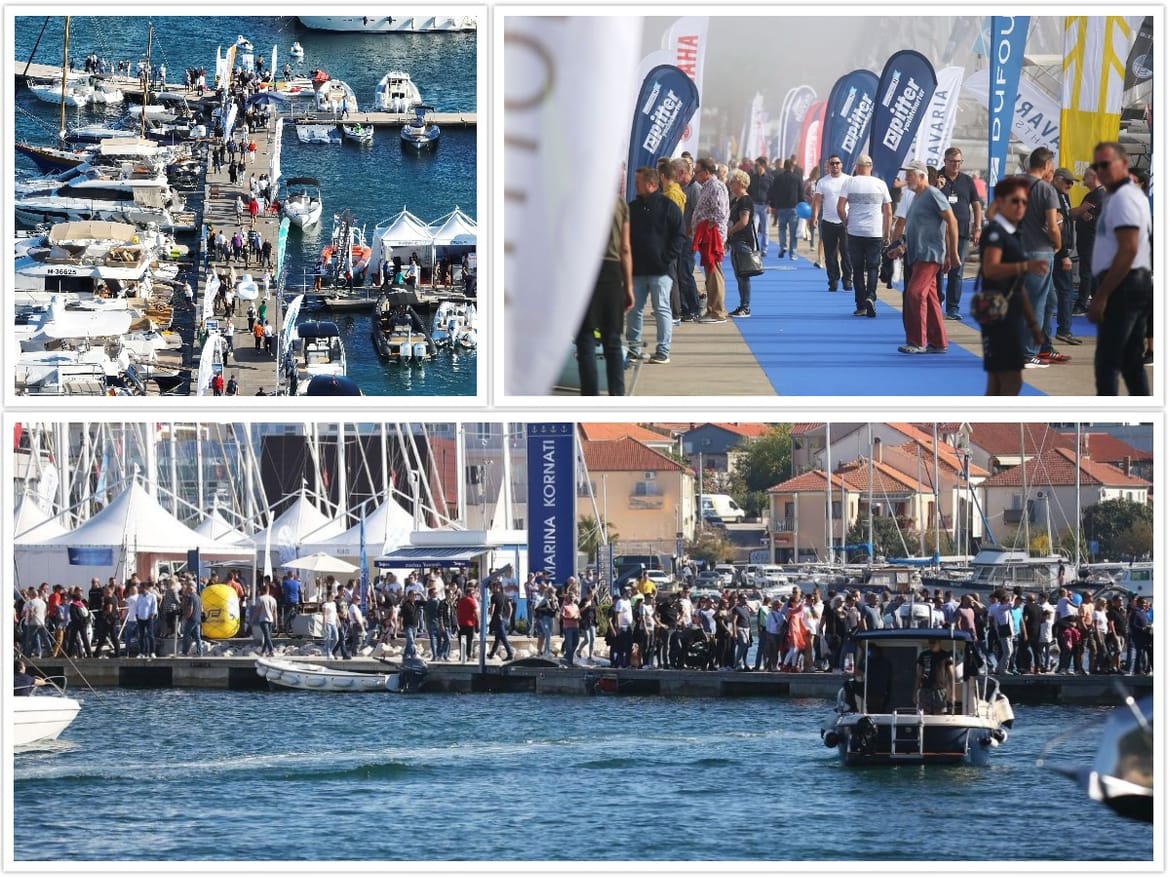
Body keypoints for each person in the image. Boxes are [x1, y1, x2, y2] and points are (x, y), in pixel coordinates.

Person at [1086, 141, 1152, 396]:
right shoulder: (1117, 195)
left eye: (1106, 164)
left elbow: (1128, 250)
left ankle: (1109, 415)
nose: (1101, 170)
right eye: (1097, 166)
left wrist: (1101, 296)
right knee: (1130, 361)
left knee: (1107, 362)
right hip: (1128, 282)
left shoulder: (1124, 198)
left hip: (1124, 284)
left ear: (1123, 165)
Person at [978, 177, 1048, 395]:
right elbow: (991, 269)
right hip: (998, 311)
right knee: (1010, 380)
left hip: (1010, 310)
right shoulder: (996, 233)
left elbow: (1018, 286)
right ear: (1000, 201)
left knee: (999, 381)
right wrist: (1026, 265)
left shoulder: (1014, 234)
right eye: (1015, 201)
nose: (1020, 207)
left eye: (1024, 202)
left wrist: (1033, 324)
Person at [890, 160, 958, 353]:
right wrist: (901, 247)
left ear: (922, 176)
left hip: (930, 254)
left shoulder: (933, 194)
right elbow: (914, 228)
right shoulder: (916, 197)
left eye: (910, 175)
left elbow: (951, 220)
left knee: (914, 293)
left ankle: (917, 341)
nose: (906, 179)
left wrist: (952, 253)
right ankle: (938, 342)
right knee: (930, 296)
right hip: (917, 253)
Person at [575, 194, 634, 396]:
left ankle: (590, 395)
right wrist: (628, 287)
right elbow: (625, 248)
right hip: (612, 270)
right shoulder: (619, 204)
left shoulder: (578, 200)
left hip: (584, 269)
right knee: (613, 341)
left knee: (585, 339)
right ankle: (617, 395)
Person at [625, 166, 684, 365]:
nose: (635, 186)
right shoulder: (632, 208)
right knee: (634, 309)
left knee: (662, 309)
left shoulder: (668, 207)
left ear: (651, 184)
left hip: (660, 271)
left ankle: (663, 351)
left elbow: (680, 234)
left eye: (638, 182)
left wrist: (667, 258)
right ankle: (634, 348)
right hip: (637, 270)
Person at [1017, 147, 1067, 367]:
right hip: (1040, 250)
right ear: (1046, 165)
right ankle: (1028, 353)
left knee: (1040, 301)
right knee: (1037, 303)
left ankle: (1036, 347)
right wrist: (1058, 245)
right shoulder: (1046, 190)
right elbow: (1052, 226)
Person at [837, 154, 891, 317]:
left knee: (858, 268)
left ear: (857, 167)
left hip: (855, 231)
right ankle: (871, 296)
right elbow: (888, 212)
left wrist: (847, 223)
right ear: (871, 167)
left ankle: (860, 305)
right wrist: (886, 234)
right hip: (874, 232)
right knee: (873, 266)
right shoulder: (880, 184)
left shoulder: (850, 182)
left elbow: (840, 207)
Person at [936, 147, 984, 320]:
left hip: (962, 231)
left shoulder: (967, 180)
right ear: (945, 161)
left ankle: (953, 307)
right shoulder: (937, 178)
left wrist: (977, 227)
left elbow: (976, 204)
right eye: (952, 161)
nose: (956, 165)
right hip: (940, 231)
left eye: (959, 161)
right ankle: (936, 302)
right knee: (939, 268)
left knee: (957, 269)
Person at [692, 157, 729, 322]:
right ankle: (712, 309)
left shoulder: (714, 186)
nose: (695, 175)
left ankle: (718, 311)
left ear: (706, 172)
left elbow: (720, 212)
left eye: (697, 171)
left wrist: (706, 227)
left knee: (714, 273)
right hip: (708, 236)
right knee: (710, 273)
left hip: (713, 236)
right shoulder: (707, 186)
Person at [1049, 167, 1080, 346]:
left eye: (1072, 182)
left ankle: (1064, 330)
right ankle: (1064, 330)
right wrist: (1063, 254)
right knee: (1062, 292)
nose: (1070, 185)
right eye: (1067, 182)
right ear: (1057, 179)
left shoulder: (1063, 195)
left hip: (1062, 250)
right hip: (1056, 252)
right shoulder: (1051, 194)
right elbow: (1055, 228)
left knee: (1061, 292)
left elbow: (1066, 220)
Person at [813, 154, 853, 293]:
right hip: (828, 222)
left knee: (846, 252)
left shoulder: (849, 180)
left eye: (837, 163)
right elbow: (817, 200)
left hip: (845, 222)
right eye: (832, 163)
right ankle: (833, 280)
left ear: (841, 165)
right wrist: (814, 216)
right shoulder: (823, 182)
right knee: (830, 255)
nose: (835, 165)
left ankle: (847, 280)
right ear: (828, 166)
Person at [726, 168, 757, 318]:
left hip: (743, 240)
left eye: (732, 182)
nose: (730, 185)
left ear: (740, 183)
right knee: (739, 274)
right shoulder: (735, 200)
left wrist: (729, 232)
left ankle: (745, 306)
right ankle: (742, 304)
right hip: (735, 240)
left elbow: (743, 221)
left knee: (744, 275)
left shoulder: (745, 200)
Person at [1073, 166, 1104, 314]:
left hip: (1092, 241)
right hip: (1087, 240)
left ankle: (1082, 303)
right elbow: (1077, 213)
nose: (1083, 178)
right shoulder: (1092, 195)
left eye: (1086, 175)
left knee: (1086, 272)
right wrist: (1080, 213)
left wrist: (1085, 216)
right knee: (1089, 272)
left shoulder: (1098, 196)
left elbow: (1077, 213)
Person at [767, 158, 803, 259]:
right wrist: (802, 204)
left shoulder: (778, 178)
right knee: (793, 232)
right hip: (793, 207)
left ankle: (783, 246)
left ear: (784, 166)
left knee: (782, 228)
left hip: (781, 208)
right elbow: (801, 193)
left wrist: (773, 205)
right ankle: (793, 253)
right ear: (792, 167)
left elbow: (773, 192)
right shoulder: (797, 178)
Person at [914, 639, 955, 714]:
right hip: (925, 690)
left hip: (940, 691)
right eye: (930, 642)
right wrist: (915, 693)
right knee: (924, 714)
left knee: (939, 714)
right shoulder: (923, 655)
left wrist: (952, 694)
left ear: (939, 642)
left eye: (933, 642)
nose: (931, 645)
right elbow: (919, 675)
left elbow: (951, 675)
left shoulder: (946, 655)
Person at [747, 156, 773, 254]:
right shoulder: (752, 178)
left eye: (757, 165)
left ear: (762, 166)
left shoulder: (769, 178)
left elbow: (773, 192)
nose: (755, 167)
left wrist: (771, 205)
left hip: (765, 206)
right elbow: (749, 191)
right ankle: (754, 248)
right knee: (754, 228)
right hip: (754, 205)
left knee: (765, 229)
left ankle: (764, 249)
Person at [485, 579, 514, 661]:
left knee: (503, 637)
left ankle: (510, 654)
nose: (491, 589)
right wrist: (508, 617)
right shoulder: (505, 596)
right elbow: (510, 608)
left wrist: (490, 616)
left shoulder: (494, 597)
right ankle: (491, 654)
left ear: (496, 587)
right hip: (504, 619)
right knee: (497, 637)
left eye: (492, 587)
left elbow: (492, 609)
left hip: (498, 618)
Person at [252, 583, 277, 656]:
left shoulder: (260, 598)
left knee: (267, 636)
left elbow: (257, 611)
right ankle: (263, 652)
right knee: (267, 636)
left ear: (262, 590)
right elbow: (275, 612)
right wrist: (276, 622)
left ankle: (271, 650)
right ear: (268, 590)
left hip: (263, 619)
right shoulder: (273, 599)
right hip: (271, 619)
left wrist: (253, 619)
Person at [180, 581, 204, 657]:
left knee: (186, 635)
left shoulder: (191, 597)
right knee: (197, 637)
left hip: (192, 619)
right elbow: (202, 609)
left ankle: (184, 652)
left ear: (191, 588)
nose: (187, 589)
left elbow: (190, 609)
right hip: (198, 619)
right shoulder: (198, 597)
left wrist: (186, 617)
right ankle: (200, 652)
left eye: (188, 588)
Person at [455, 586, 479, 662]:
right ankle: (468, 655)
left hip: (461, 623)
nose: (474, 594)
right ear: (469, 593)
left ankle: (462, 655)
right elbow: (475, 614)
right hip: (470, 624)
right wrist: (477, 624)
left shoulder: (461, 601)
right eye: (473, 593)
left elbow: (457, 612)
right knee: (469, 641)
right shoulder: (471, 601)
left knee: (462, 640)